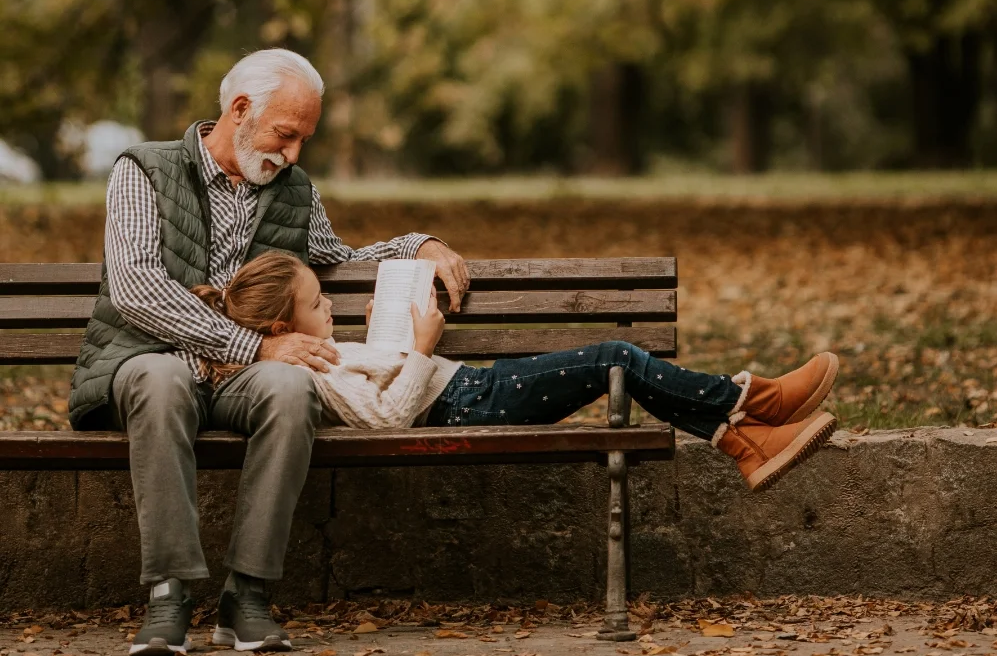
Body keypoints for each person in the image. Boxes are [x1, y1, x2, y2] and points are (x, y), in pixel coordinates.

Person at [69, 48, 469, 656]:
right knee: (162, 380)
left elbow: (338, 257)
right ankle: (168, 595)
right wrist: (257, 344)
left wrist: (421, 243)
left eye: (303, 139)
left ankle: (248, 594)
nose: (293, 154)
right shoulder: (141, 170)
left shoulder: (293, 189)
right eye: (286, 135)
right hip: (147, 357)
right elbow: (135, 287)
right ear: (239, 110)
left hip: (243, 377)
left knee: (291, 387)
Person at [198, 250, 840, 498]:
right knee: (613, 356)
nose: (328, 306)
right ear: (279, 331)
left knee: (612, 358)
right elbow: (388, 416)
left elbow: (378, 385)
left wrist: (380, 337)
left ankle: (745, 436)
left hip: (467, 391)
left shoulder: (316, 356)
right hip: (463, 404)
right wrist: (421, 346)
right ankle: (752, 403)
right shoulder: (308, 375)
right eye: (317, 305)